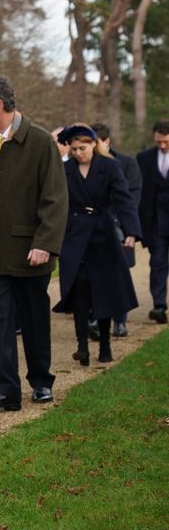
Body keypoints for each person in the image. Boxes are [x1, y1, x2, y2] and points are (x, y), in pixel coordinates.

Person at [0, 75, 67, 411]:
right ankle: (5, 391)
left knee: (35, 320)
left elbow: (55, 199)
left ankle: (41, 381)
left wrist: (45, 243)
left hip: (31, 254)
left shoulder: (39, 142)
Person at [52, 125, 140, 365]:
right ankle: (82, 346)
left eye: (83, 148)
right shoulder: (64, 170)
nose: (79, 153)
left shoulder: (110, 167)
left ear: (93, 144)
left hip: (103, 236)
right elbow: (56, 203)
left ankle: (104, 345)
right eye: (74, 149)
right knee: (79, 291)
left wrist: (131, 231)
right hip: (75, 237)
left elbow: (123, 199)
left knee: (103, 291)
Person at [92, 123, 141, 337]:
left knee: (119, 276)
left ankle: (120, 320)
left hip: (117, 228)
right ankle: (95, 317)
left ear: (106, 141)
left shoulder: (126, 163)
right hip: (93, 229)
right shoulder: (84, 166)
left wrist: (125, 227)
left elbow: (131, 197)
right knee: (93, 275)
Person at [135, 120, 169, 325]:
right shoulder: (144, 158)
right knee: (157, 263)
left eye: (166, 142)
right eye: (159, 142)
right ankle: (159, 306)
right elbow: (141, 193)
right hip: (156, 222)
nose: (162, 146)